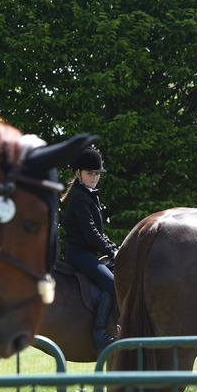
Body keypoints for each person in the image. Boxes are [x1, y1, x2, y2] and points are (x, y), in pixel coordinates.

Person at [60, 147, 119, 353]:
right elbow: (91, 233)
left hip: (87, 253)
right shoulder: (79, 197)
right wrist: (111, 251)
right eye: (89, 173)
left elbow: (97, 233)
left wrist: (113, 247)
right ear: (78, 173)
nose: (94, 178)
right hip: (79, 255)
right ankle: (100, 334)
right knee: (113, 284)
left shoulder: (89, 193)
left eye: (96, 174)